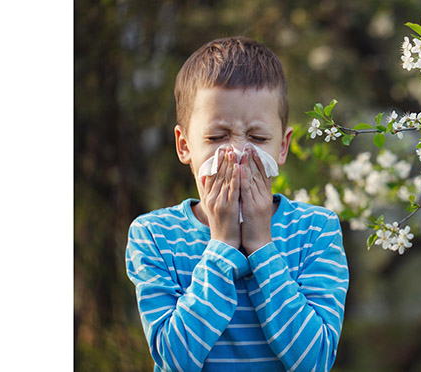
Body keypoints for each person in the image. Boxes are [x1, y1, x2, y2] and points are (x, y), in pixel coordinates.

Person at [125, 36, 349, 372]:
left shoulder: (317, 229)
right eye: (217, 137)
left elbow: (314, 361)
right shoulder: (154, 235)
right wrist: (221, 246)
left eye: (258, 139)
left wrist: (261, 246)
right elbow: (174, 360)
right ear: (184, 145)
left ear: (283, 147)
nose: (239, 154)